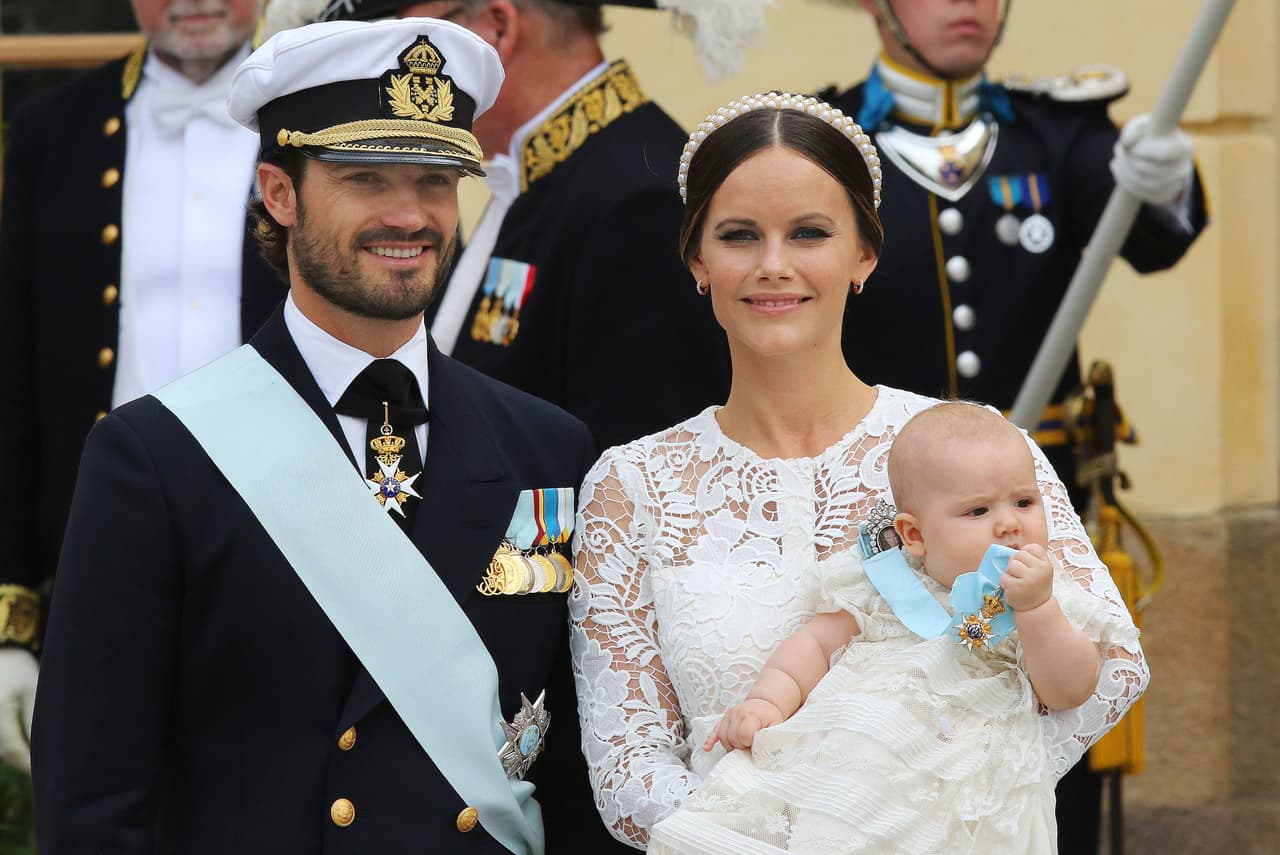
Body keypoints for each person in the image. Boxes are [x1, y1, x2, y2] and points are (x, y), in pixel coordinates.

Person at [33, 18, 618, 852]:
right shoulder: (155, 459)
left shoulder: (548, 448)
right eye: (366, 178)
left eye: (434, 180)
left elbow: (574, 777)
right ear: (278, 192)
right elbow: (90, 804)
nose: (409, 215)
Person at [568, 91, 1148, 849]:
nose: (774, 266)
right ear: (697, 260)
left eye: (809, 233)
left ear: (864, 254)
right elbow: (627, 763)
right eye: (740, 235)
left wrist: (928, 816)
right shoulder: (629, 486)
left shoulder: (976, 449)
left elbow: (1110, 669)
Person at [826, 3, 1205, 847]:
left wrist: (1167, 180)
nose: (968, 6)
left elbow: (1149, 237)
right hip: (898, 526)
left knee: (1048, 773)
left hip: (1035, 514)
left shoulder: (1059, 133)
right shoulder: (829, 139)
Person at [271, 0, 767, 451]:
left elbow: (643, 468)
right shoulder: (549, 175)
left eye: (408, 41)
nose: (382, 83)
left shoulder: (636, 198)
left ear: (497, 27)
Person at [0, 0, 287, 775]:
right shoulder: (51, 128)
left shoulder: (313, 118)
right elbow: (15, 377)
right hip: (98, 554)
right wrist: (12, 618)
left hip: (285, 549)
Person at [647, 401, 1123, 853]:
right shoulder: (884, 586)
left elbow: (1069, 688)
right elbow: (813, 645)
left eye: (1023, 502)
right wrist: (766, 702)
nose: (1008, 525)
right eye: (978, 511)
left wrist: (1038, 610)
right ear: (914, 535)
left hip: (964, 793)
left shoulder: (1041, 599)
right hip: (856, 774)